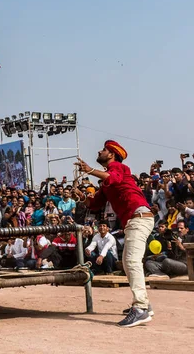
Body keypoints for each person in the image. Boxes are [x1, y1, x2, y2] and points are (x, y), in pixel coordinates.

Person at [77, 140, 154, 328]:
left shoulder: (119, 167)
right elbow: (94, 204)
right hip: (135, 220)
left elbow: (114, 178)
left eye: (103, 150)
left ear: (111, 154)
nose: (99, 151)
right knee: (129, 264)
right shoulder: (105, 183)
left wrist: (89, 170)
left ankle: (141, 308)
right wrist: (81, 197)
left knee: (131, 262)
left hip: (139, 218)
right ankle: (145, 305)